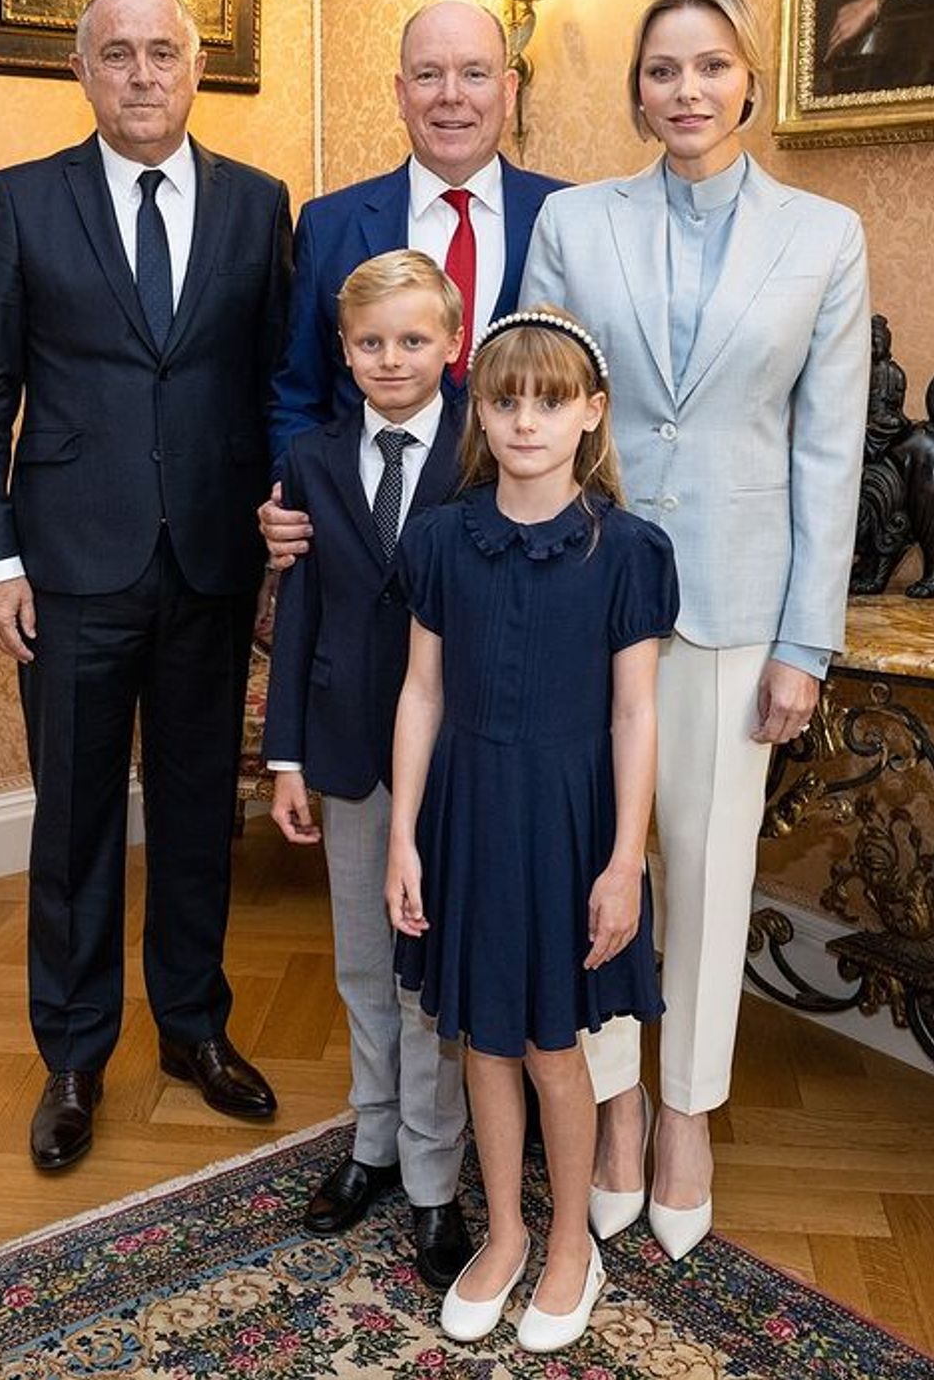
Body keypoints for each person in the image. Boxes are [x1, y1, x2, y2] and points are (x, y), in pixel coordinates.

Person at [521, 0, 870, 1259]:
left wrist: (804, 642)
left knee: (713, 877)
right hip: (581, 598)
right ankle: (612, 1108)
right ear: (636, 91)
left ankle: (684, 1118)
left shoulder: (822, 235)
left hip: (734, 606)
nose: (686, 91)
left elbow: (830, 450)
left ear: (750, 82)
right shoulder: (573, 223)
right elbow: (540, 395)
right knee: (594, 871)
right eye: (662, 70)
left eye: (710, 67)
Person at [0, 0, 292, 1170]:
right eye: (116, 56)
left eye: (163, 54)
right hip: (70, 571)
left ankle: (194, 1031)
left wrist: (285, 528)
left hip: (209, 563)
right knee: (78, 824)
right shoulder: (23, 202)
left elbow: (275, 388)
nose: (142, 76)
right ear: (80, 74)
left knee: (201, 815)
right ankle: (76, 1055)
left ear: (195, 70)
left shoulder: (259, 206)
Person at [387, 310, 678, 1353]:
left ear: (592, 414)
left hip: (566, 822)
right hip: (466, 812)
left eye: (550, 402)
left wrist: (623, 863)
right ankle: (503, 1234)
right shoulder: (441, 538)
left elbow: (634, 713)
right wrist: (404, 839)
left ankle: (569, 1247)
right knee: (484, 1042)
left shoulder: (628, 549)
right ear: (481, 411)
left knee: (557, 1048)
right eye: (505, 400)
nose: (524, 421)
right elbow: (420, 695)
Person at [263, 250, 474, 1290]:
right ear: (344, 355)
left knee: (427, 980)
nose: (392, 358)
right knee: (360, 965)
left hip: (455, 755)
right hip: (345, 749)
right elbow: (299, 611)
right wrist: (286, 755)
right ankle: (375, 1146)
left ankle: (438, 1181)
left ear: (453, 340)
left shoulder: (487, 449)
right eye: (370, 343)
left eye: (413, 338)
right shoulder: (309, 459)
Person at [260, 0, 567, 564]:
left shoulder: (567, 216)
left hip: (521, 554)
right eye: (429, 75)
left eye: (473, 74)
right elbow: (297, 394)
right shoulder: (331, 225)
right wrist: (290, 494)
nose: (451, 95)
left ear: (507, 90)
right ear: (401, 95)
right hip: (362, 551)